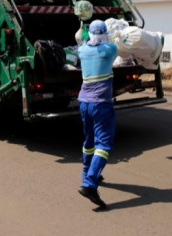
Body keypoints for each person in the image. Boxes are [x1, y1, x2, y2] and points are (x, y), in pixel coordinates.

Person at [77, 19, 118, 208]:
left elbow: (80, 39)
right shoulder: (110, 50)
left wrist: (83, 29)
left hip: (84, 102)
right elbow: (116, 44)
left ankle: (87, 174)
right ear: (104, 33)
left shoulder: (82, 50)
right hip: (101, 104)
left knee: (89, 142)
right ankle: (89, 184)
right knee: (103, 144)